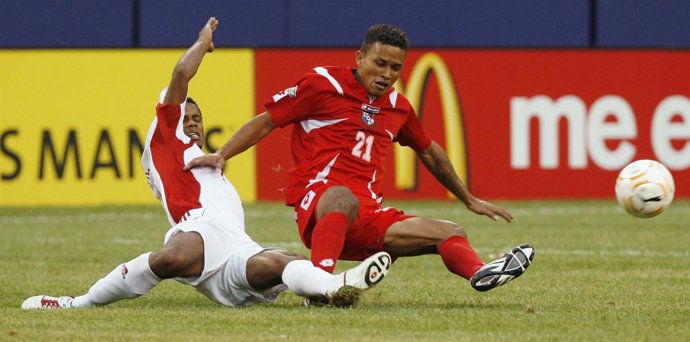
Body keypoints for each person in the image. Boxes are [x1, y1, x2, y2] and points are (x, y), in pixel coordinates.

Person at [21, 17, 392, 310]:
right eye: (188, 114)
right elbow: (181, 76)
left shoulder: (204, 162)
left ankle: (335, 287)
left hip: (232, 247)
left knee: (279, 262)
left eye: (199, 117)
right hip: (199, 231)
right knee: (173, 256)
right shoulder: (165, 135)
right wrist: (202, 44)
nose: (194, 121)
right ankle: (77, 302)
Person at [185, 23, 534, 293]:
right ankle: (320, 283)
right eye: (380, 63)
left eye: (395, 68)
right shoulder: (323, 85)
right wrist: (222, 154)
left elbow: (428, 150)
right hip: (319, 203)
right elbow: (267, 122)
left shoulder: (398, 107)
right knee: (342, 196)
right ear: (359, 58)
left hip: (367, 213)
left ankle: (479, 274)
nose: (386, 74)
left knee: (449, 232)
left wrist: (468, 198)